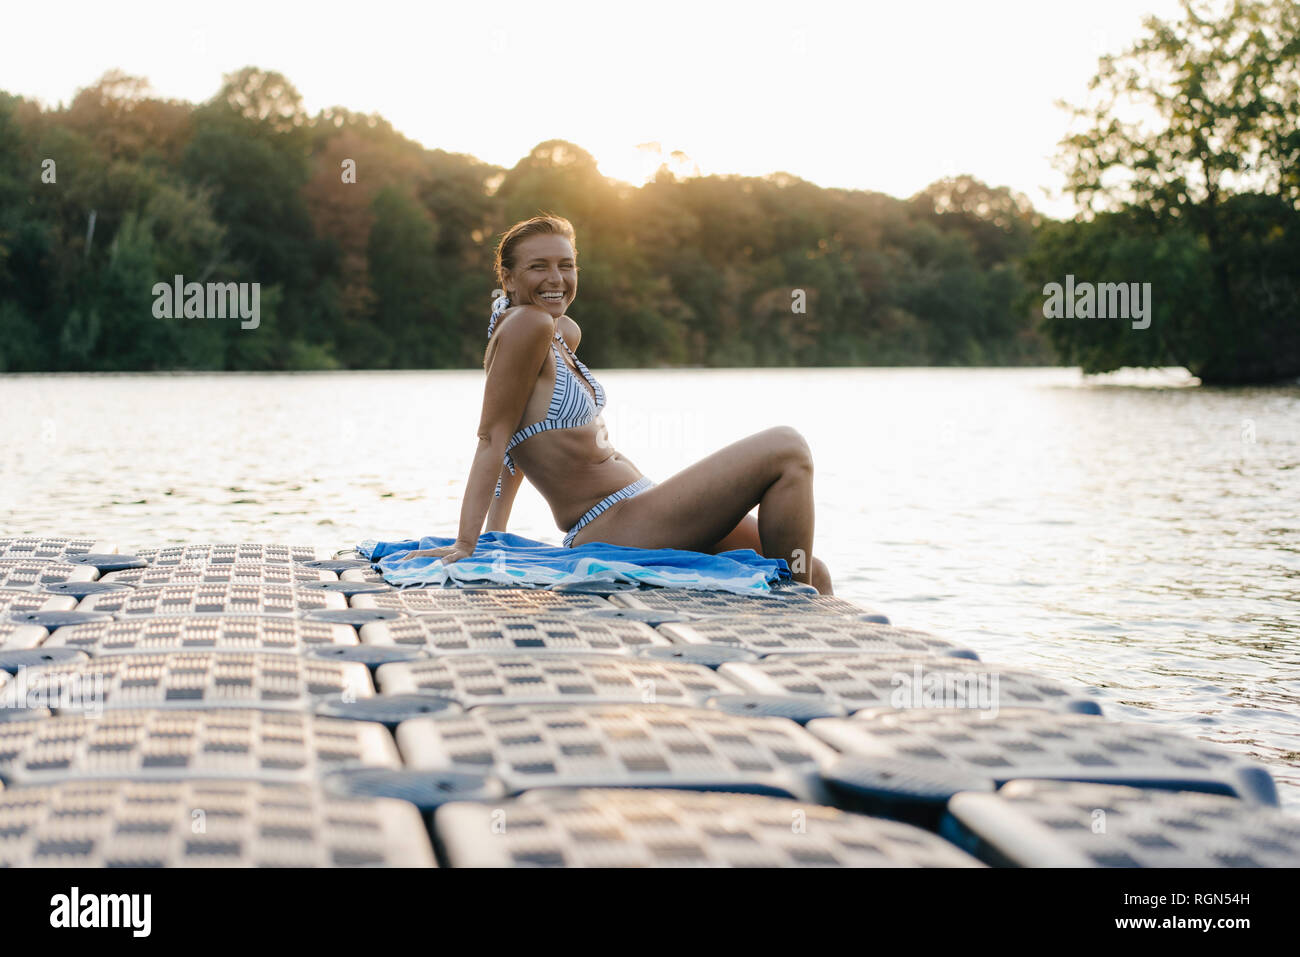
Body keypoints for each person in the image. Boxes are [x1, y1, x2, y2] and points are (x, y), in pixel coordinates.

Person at [399, 213, 833, 594]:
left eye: (566, 265)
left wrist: (496, 534)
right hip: (615, 525)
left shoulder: (558, 332)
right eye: (538, 267)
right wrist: (467, 544)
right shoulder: (527, 325)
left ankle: (806, 636)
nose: (556, 278)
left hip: (643, 504)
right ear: (509, 279)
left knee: (815, 570)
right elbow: (491, 437)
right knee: (787, 447)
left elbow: (512, 442)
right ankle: (789, 605)